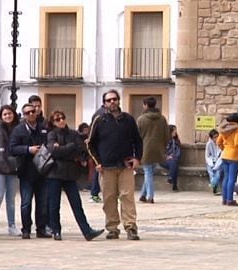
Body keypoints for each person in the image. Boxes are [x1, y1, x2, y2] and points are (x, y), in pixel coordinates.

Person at [87, 89, 144, 240]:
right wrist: (97, 162)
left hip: (125, 165)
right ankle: (112, 227)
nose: (112, 102)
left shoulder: (128, 120)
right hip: (106, 167)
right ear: (104, 103)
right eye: (109, 100)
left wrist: (137, 158)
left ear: (118, 101)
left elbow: (137, 141)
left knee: (127, 197)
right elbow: (90, 143)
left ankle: (131, 226)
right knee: (109, 198)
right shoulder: (99, 120)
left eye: (114, 99)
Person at [44, 110, 105, 241]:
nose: (61, 121)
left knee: (76, 203)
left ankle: (87, 231)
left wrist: (63, 148)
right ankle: (56, 230)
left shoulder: (73, 134)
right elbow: (53, 151)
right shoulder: (51, 134)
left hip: (70, 173)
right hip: (55, 172)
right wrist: (68, 148)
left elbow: (80, 149)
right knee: (54, 204)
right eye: (57, 119)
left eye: (62, 118)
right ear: (53, 122)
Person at [10, 102, 50, 239]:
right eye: (28, 112)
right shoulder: (18, 130)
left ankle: (41, 229)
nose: (31, 114)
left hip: (42, 170)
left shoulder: (43, 128)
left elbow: (49, 144)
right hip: (26, 171)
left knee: (42, 203)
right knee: (26, 202)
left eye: (33, 111)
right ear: (24, 115)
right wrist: (28, 149)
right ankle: (26, 229)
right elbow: (13, 149)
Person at [0, 105, 20, 236]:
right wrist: (0, 162)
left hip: (13, 168)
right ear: (1, 116)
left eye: (9, 113)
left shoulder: (18, 129)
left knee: (11, 199)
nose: (8, 116)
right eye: (5, 114)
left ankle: (11, 225)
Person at [136, 97, 170, 203]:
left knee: (148, 172)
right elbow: (167, 135)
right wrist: (164, 147)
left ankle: (150, 196)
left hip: (145, 148)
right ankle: (143, 194)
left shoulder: (141, 119)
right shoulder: (162, 119)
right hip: (158, 148)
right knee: (150, 171)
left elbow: (137, 136)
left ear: (146, 105)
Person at [217, 112, 238, 207]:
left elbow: (218, 142)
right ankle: (230, 199)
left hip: (225, 154)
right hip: (235, 155)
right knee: (232, 178)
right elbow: (237, 143)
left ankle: (224, 199)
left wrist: (224, 149)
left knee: (226, 177)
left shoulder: (224, 129)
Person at [160, 125, 181, 192]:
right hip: (164, 160)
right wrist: (167, 156)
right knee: (174, 163)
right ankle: (174, 184)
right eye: (174, 130)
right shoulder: (163, 141)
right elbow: (160, 152)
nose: (175, 132)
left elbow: (178, 152)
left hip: (173, 159)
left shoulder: (176, 141)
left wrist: (174, 156)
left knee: (174, 162)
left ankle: (171, 178)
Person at [205, 129, 223, 195]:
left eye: (217, 136)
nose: (216, 139)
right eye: (214, 137)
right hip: (212, 161)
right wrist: (211, 163)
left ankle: (213, 184)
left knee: (218, 171)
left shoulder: (221, 143)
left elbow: (222, 155)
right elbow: (207, 156)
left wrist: (216, 165)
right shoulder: (209, 144)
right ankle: (214, 187)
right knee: (210, 171)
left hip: (220, 161)